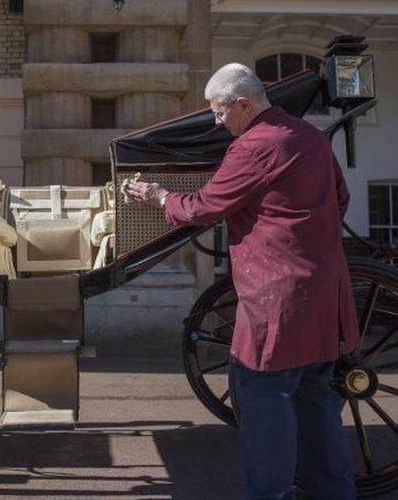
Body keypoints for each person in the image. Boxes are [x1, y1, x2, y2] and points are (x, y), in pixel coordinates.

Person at [125, 63, 359, 500]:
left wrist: (158, 196)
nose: (216, 122)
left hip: (276, 301)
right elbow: (340, 198)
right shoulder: (310, 136)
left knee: (263, 405)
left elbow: (204, 207)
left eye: (218, 112)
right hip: (324, 294)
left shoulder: (253, 146)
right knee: (317, 405)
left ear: (244, 104)